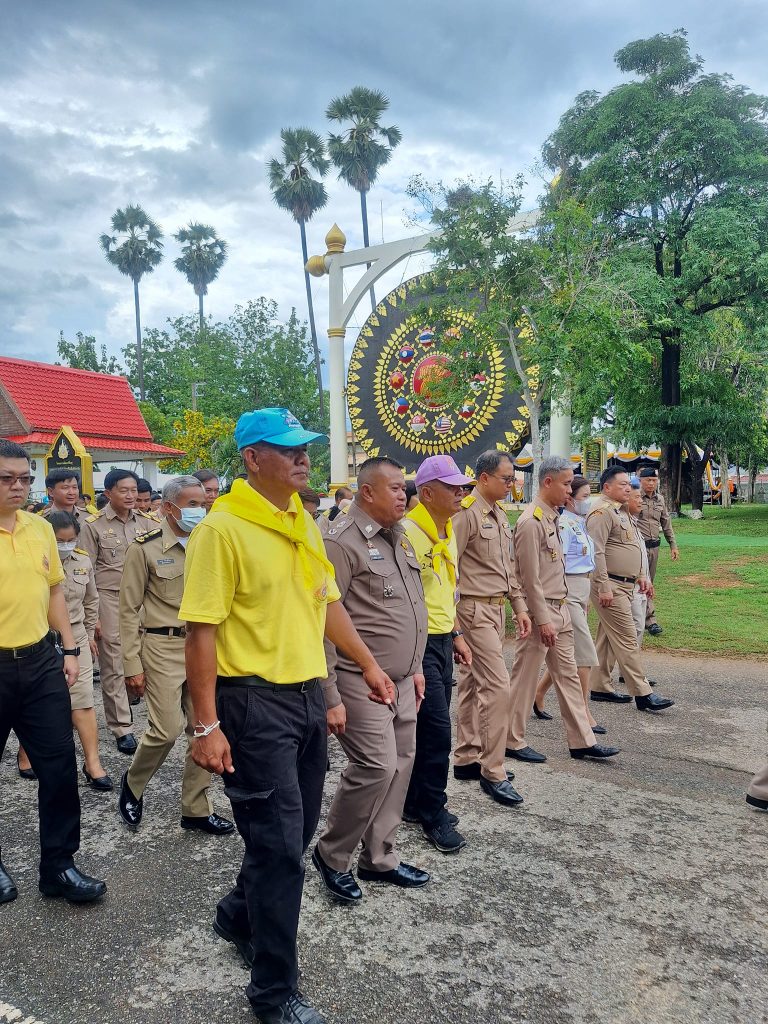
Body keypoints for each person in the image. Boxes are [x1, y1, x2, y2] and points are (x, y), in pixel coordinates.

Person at [181, 407, 395, 1024]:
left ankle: (237, 914)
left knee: (290, 837)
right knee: (279, 850)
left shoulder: (298, 519)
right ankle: (274, 993)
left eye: (305, 447)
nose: (304, 458)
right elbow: (201, 632)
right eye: (288, 449)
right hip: (252, 703)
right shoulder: (223, 530)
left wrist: (366, 665)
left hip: (304, 697)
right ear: (253, 459)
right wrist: (205, 725)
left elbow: (325, 602)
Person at [314, 456, 431, 903]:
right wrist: (330, 694)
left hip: (401, 680)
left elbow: (409, 607)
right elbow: (324, 621)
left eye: (404, 488)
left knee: (401, 765)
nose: (404, 495)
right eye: (395, 488)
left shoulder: (398, 537)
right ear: (367, 492)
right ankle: (332, 854)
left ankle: (379, 857)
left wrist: (415, 667)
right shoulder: (340, 543)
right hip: (357, 679)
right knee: (375, 766)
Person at [0, 440, 106, 906]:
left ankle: (59, 865)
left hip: (41, 661)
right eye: (6, 478)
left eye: (24, 478)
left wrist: (70, 647)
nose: (18, 486)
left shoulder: (40, 528)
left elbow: (55, 592)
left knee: (59, 767)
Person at [118, 476, 233, 836]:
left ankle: (196, 809)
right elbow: (127, 610)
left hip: (205, 646)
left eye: (203, 503)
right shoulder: (145, 548)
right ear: (168, 507)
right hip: (163, 646)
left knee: (204, 727)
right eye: (192, 504)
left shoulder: (212, 541)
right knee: (165, 730)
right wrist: (131, 665)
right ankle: (133, 784)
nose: (200, 510)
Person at [507, 459, 618, 763]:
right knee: (525, 679)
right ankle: (511, 740)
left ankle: (582, 740)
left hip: (561, 607)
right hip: (541, 613)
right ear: (548, 482)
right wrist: (542, 620)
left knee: (568, 676)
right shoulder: (531, 522)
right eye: (566, 484)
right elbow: (528, 578)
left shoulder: (552, 517)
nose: (571, 490)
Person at [401, 455, 473, 853]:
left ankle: (415, 802)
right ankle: (433, 811)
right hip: (419, 643)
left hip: (443, 638)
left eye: (462, 486)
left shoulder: (447, 530)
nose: (461, 492)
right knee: (436, 732)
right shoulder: (408, 534)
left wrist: (457, 634)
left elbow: (446, 591)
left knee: (428, 728)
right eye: (452, 487)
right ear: (427, 493)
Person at [453, 450, 531, 807]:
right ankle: (493, 769)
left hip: (495, 608)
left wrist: (519, 606)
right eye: (506, 478)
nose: (511, 484)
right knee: (498, 687)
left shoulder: (498, 513)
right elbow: (449, 568)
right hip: (473, 609)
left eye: (513, 478)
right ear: (483, 478)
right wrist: (454, 624)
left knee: (472, 683)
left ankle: (466, 757)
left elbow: (507, 568)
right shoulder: (466, 513)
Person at [586, 467, 674, 712]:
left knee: (606, 638)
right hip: (611, 586)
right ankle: (643, 693)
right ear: (607, 487)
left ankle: (599, 686)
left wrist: (642, 575)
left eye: (629, 484)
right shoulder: (602, 512)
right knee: (627, 638)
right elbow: (596, 552)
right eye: (623, 484)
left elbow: (634, 545)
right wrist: (603, 586)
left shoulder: (620, 510)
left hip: (626, 583)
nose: (629, 488)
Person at [81, 469, 155, 753]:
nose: (131, 495)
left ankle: (154, 718)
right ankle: (122, 727)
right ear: (108, 493)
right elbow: (86, 570)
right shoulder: (93, 526)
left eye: (134, 490)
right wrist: (93, 615)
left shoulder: (148, 522)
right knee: (113, 662)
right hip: (109, 598)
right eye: (124, 490)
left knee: (150, 654)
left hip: (146, 598)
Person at [533, 475, 604, 734]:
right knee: (584, 654)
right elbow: (557, 565)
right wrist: (563, 597)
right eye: (584, 496)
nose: (588, 501)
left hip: (581, 588)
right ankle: (583, 711)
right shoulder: (563, 524)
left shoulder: (579, 523)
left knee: (568, 652)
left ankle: (538, 693)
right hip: (568, 589)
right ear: (571, 499)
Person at [636, 467, 679, 636]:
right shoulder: (634, 497)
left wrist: (673, 545)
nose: (651, 483)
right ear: (641, 480)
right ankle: (649, 620)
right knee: (638, 581)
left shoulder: (660, 499)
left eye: (654, 480)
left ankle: (646, 619)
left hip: (654, 547)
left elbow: (666, 523)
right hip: (637, 548)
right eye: (648, 480)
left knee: (649, 582)